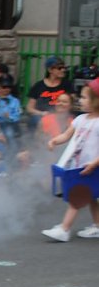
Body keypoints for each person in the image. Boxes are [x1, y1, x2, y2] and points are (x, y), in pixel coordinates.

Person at [41, 80, 99, 242]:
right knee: (92, 197)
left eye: (85, 97)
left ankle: (64, 230)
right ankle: (98, 226)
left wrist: (94, 163)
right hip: (79, 166)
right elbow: (67, 135)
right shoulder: (80, 119)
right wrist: (54, 141)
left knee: (77, 197)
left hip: (91, 167)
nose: (81, 100)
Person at [26, 56, 74, 138]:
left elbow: (71, 102)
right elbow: (29, 108)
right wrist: (42, 113)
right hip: (42, 115)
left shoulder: (67, 85)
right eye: (59, 68)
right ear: (50, 70)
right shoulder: (38, 86)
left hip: (61, 114)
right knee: (35, 120)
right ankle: (33, 146)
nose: (63, 70)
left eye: (64, 68)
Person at [0, 74, 22, 148]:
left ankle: (11, 155)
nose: (6, 89)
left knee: (9, 134)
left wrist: (10, 117)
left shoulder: (15, 101)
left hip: (8, 123)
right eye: (3, 87)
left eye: (9, 87)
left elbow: (17, 116)